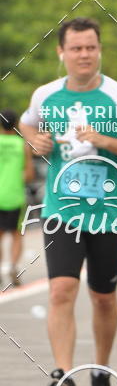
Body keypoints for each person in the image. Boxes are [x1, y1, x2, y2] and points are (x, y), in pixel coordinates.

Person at [19, 16, 117, 386]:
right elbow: (26, 126)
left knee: (103, 296)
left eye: (90, 47)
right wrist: (37, 142)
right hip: (63, 206)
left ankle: (100, 370)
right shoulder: (46, 95)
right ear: (61, 52)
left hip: (108, 211)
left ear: (99, 51)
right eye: (76, 48)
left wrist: (104, 139)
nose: (84, 55)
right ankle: (63, 374)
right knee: (61, 289)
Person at [0, 110, 34, 288]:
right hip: (15, 196)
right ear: (15, 124)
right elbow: (29, 175)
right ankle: (13, 265)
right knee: (17, 235)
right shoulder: (23, 146)